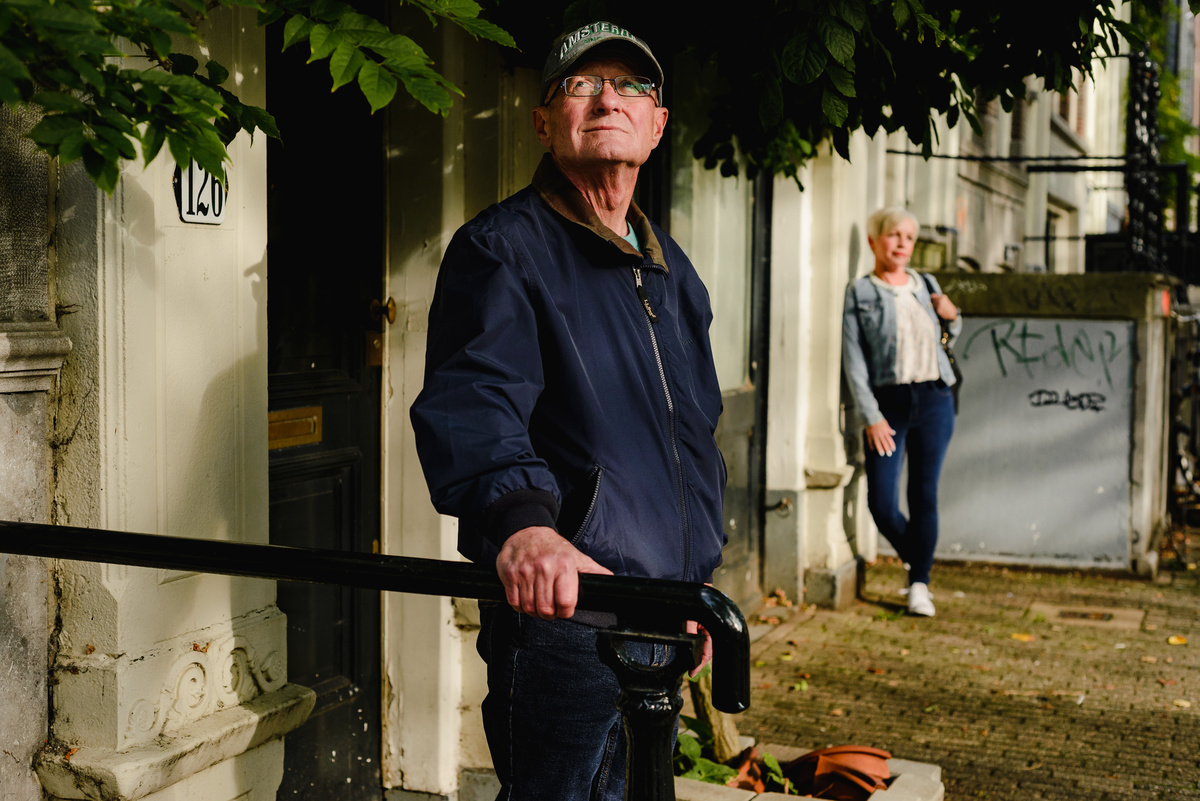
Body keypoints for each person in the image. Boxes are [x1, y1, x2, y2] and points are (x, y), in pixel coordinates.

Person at [409, 21, 727, 801]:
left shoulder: (672, 271)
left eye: (630, 87)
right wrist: (523, 525)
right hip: (566, 621)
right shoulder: (503, 249)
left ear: (656, 127)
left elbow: (695, 441)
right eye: (582, 84)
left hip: (661, 616)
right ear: (544, 121)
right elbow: (475, 398)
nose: (608, 97)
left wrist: (698, 587)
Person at [841, 207, 960, 617]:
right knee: (882, 504)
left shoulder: (925, 284)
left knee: (924, 495)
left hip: (933, 400)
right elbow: (853, 361)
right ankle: (920, 556)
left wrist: (953, 316)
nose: (901, 244)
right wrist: (871, 416)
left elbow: (947, 336)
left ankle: (919, 586)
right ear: (875, 241)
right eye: (893, 235)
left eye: (908, 237)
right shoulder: (860, 293)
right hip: (887, 407)